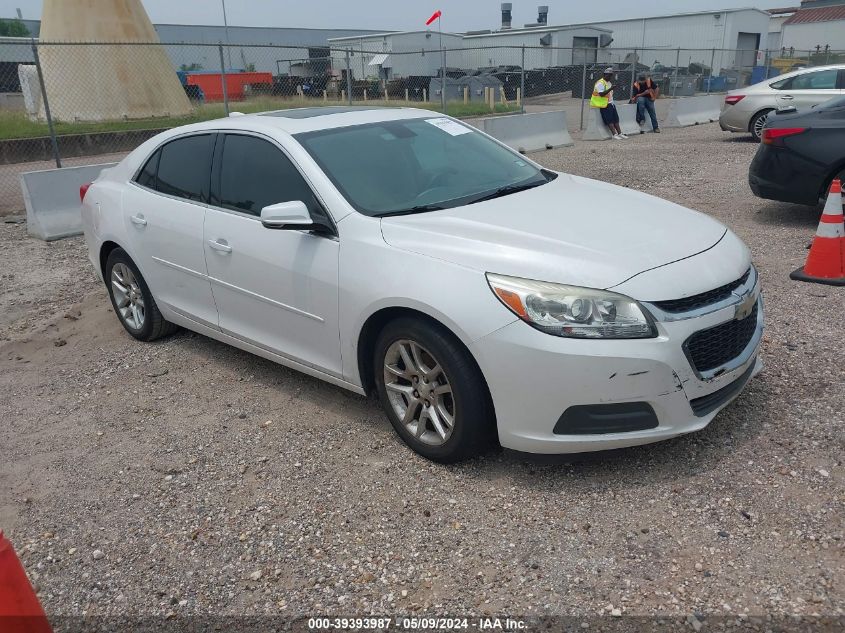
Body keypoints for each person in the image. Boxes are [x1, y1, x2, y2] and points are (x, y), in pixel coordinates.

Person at [591, 67, 627, 140]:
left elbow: (609, 94)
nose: (610, 77)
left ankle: (620, 133)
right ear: (604, 75)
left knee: (616, 119)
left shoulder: (609, 83)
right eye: (608, 75)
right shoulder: (600, 83)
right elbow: (601, 94)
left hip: (610, 103)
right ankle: (614, 134)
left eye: (611, 75)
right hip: (604, 104)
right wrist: (611, 88)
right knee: (609, 120)